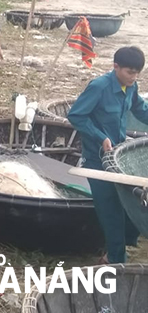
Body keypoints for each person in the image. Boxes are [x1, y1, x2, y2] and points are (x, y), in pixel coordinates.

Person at [67, 47, 148, 264]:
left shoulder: (130, 87)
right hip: (97, 159)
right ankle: (115, 261)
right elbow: (76, 115)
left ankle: (123, 246)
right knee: (111, 211)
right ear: (116, 67)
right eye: (130, 72)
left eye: (137, 73)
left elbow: (140, 109)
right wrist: (100, 136)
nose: (133, 77)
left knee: (134, 203)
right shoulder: (99, 87)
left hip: (118, 157)